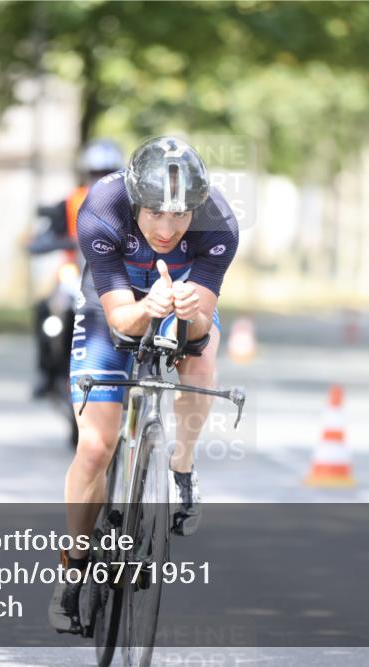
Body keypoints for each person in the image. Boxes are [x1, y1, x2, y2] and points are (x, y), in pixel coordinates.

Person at [49, 136, 240, 634]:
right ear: (137, 200)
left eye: (180, 217)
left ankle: (181, 467)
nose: (168, 227)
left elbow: (197, 332)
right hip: (112, 309)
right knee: (95, 446)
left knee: (202, 357)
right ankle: (73, 568)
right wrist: (145, 309)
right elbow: (118, 317)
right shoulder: (102, 208)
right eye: (155, 213)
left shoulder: (218, 223)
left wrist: (187, 313)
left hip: (180, 304)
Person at [31, 139, 127, 399]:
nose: (101, 179)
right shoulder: (71, 202)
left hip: (116, 274)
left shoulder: (129, 202)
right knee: (46, 310)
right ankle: (47, 373)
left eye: (107, 173)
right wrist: (51, 242)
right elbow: (46, 235)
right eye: (96, 173)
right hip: (74, 273)